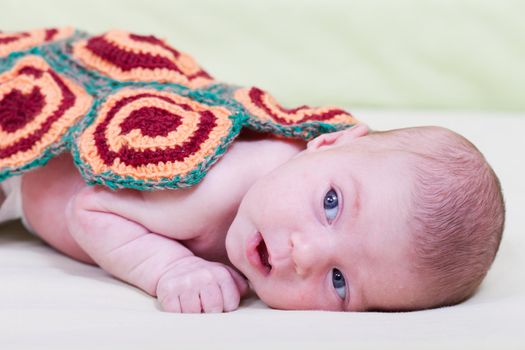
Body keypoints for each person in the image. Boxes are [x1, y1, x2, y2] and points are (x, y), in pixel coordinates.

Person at [0, 122, 505, 313]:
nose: (305, 254)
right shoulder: (206, 190)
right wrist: (171, 270)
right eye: (331, 204)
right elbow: (87, 207)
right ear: (325, 143)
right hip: (21, 161)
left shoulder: (285, 200)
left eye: (339, 283)